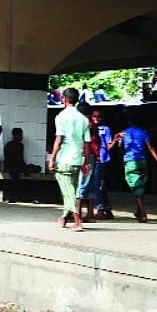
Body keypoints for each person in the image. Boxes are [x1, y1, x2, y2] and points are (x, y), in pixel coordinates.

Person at [110, 112, 157, 222]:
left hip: (130, 162)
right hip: (142, 161)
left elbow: (120, 147)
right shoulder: (143, 132)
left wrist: (117, 139)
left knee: (136, 188)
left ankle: (143, 213)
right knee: (140, 187)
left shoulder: (124, 133)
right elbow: (150, 148)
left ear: (128, 121)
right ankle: (139, 211)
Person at [49, 87, 91, 232]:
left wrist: (52, 158)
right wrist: (85, 162)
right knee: (70, 190)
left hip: (64, 159)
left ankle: (77, 220)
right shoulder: (84, 119)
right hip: (77, 160)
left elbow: (59, 139)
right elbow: (87, 143)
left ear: (64, 100)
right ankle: (64, 217)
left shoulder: (60, 117)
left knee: (68, 192)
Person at [75, 102, 97, 222]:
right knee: (91, 185)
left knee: (81, 185)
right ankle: (90, 214)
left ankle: (77, 214)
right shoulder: (92, 124)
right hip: (93, 155)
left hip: (84, 155)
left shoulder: (82, 123)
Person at [91, 110, 114, 219]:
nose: (96, 118)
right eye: (94, 116)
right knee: (100, 184)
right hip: (94, 158)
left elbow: (109, 146)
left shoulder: (105, 129)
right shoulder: (91, 128)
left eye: (99, 116)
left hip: (102, 158)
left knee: (97, 184)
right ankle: (107, 208)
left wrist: (116, 139)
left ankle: (100, 208)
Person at [3, 128, 27, 203]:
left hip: (14, 166)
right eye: (20, 135)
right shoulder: (12, 145)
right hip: (11, 166)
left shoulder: (19, 145)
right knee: (15, 176)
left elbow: (21, 158)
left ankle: (15, 195)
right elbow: (13, 159)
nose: (21, 137)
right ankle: (14, 195)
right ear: (14, 135)